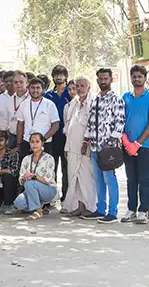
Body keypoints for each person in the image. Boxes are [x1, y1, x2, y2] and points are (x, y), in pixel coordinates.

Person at [82, 68, 125, 224]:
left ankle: (112, 212)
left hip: (107, 147)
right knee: (98, 179)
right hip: (94, 145)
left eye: (105, 78)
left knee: (109, 178)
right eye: (100, 78)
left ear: (111, 79)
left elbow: (120, 122)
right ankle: (100, 209)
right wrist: (86, 140)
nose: (103, 81)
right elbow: (91, 121)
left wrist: (111, 141)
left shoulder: (116, 99)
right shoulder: (94, 99)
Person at [120, 65, 149, 224]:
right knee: (131, 179)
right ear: (131, 78)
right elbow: (120, 120)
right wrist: (127, 142)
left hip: (145, 145)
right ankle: (131, 209)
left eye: (140, 76)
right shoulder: (125, 97)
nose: (137, 79)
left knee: (145, 179)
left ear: (144, 79)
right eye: (134, 76)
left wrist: (137, 143)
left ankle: (143, 210)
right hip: (127, 145)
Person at [60, 78, 96, 216]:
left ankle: (90, 207)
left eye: (83, 86)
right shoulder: (73, 104)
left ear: (89, 87)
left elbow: (92, 125)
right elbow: (68, 126)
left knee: (86, 178)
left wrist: (87, 142)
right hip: (72, 147)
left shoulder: (93, 102)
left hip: (86, 148)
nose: (80, 88)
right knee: (74, 178)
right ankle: (79, 206)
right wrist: (67, 146)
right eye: (78, 86)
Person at [6, 133, 56, 219]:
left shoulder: (49, 158)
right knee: (19, 202)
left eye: (37, 141)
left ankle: (38, 211)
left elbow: (48, 180)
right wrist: (24, 179)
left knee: (30, 183)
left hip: (48, 190)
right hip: (30, 188)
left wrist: (33, 177)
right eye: (32, 142)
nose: (34, 144)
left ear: (42, 143)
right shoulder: (26, 159)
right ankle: (39, 205)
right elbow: (21, 180)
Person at [16, 77, 59, 158]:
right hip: (27, 142)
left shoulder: (49, 104)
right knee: (26, 169)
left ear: (42, 89)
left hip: (45, 143)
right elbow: (20, 124)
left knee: (43, 169)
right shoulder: (23, 104)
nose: (35, 90)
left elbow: (56, 125)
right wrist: (19, 143)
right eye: (32, 87)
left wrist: (43, 139)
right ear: (28, 89)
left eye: (38, 88)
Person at [45, 65, 71, 199]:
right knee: (51, 168)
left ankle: (66, 197)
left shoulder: (71, 93)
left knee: (67, 170)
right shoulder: (47, 95)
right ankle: (51, 197)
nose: (59, 77)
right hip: (52, 137)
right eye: (56, 75)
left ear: (66, 76)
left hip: (68, 138)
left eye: (61, 75)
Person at [0, 70, 28, 149]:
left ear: (27, 83)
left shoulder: (31, 99)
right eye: (15, 82)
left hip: (27, 137)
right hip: (12, 136)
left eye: (21, 82)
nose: (18, 84)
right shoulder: (10, 100)